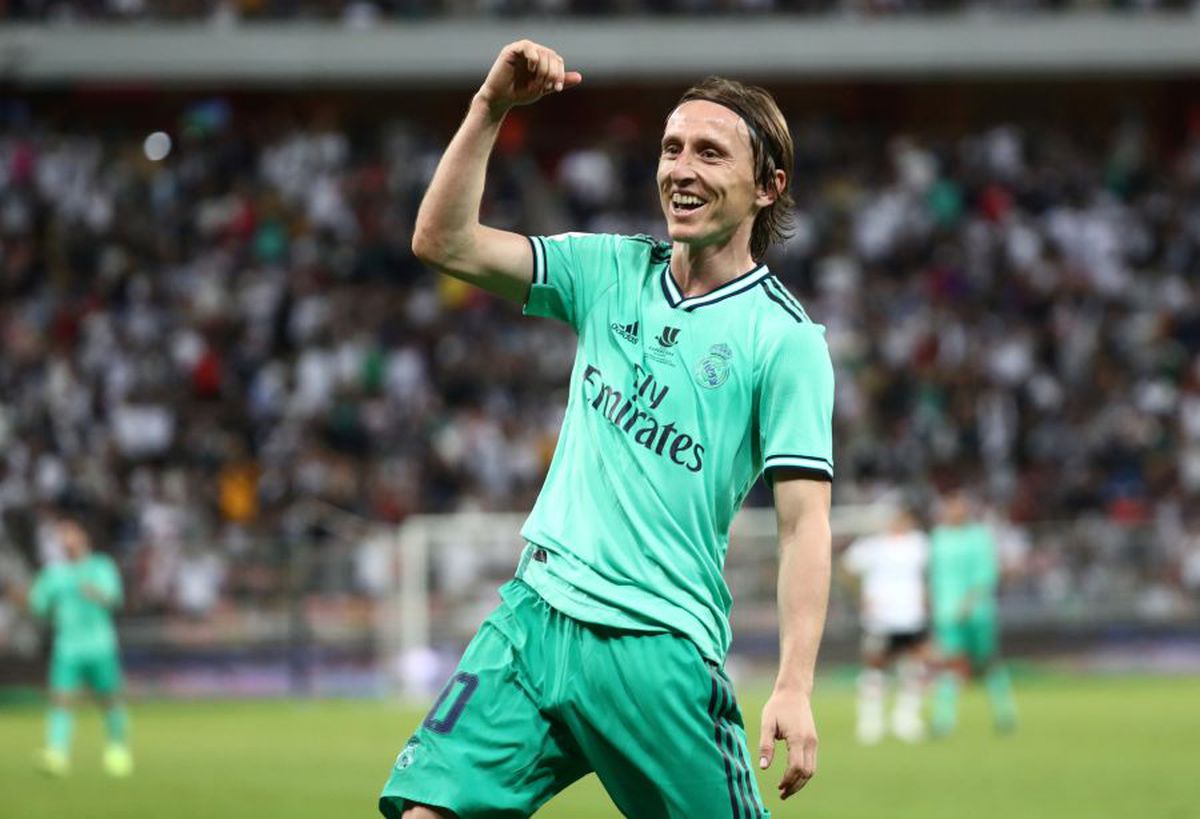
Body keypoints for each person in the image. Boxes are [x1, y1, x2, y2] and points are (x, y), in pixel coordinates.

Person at [381, 40, 834, 819]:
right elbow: (442, 241)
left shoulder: (784, 339)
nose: (681, 168)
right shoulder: (609, 270)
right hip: (534, 618)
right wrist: (490, 106)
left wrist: (794, 682)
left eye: (709, 153)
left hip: (654, 648)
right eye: (672, 148)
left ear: (768, 186)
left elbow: (803, 524)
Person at [27, 516, 133, 777]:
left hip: (99, 645)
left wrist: (96, 592)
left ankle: (118, 747)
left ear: (83, 537)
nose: (67, 541)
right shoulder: (54, 574)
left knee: (109, 699)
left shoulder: (100, 566)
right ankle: (57, 753)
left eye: (70, 534)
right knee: (61, 699)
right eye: (62, 536)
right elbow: (38, 605)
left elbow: (115, 598)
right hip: (67, 647)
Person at [928, 490, 1017, 736]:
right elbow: (933, 576)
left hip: (977, 613)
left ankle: (1005, 713)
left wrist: (969, 603)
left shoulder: (978, 537)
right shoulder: (939, 538)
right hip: (947, 614)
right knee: (950, 664)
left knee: (987, 662)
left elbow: (987, 574)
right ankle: (943, 720)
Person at [840, 505, 931, 745]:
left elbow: (927, 573)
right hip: (881, 617)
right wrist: (861, 596)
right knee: (875, 666)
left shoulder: (918, 544)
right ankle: (871, 722)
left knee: (915, 666)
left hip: (911, 616)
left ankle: (906, 719)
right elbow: (846, 568)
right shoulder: (872, 546)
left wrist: (925, 597)